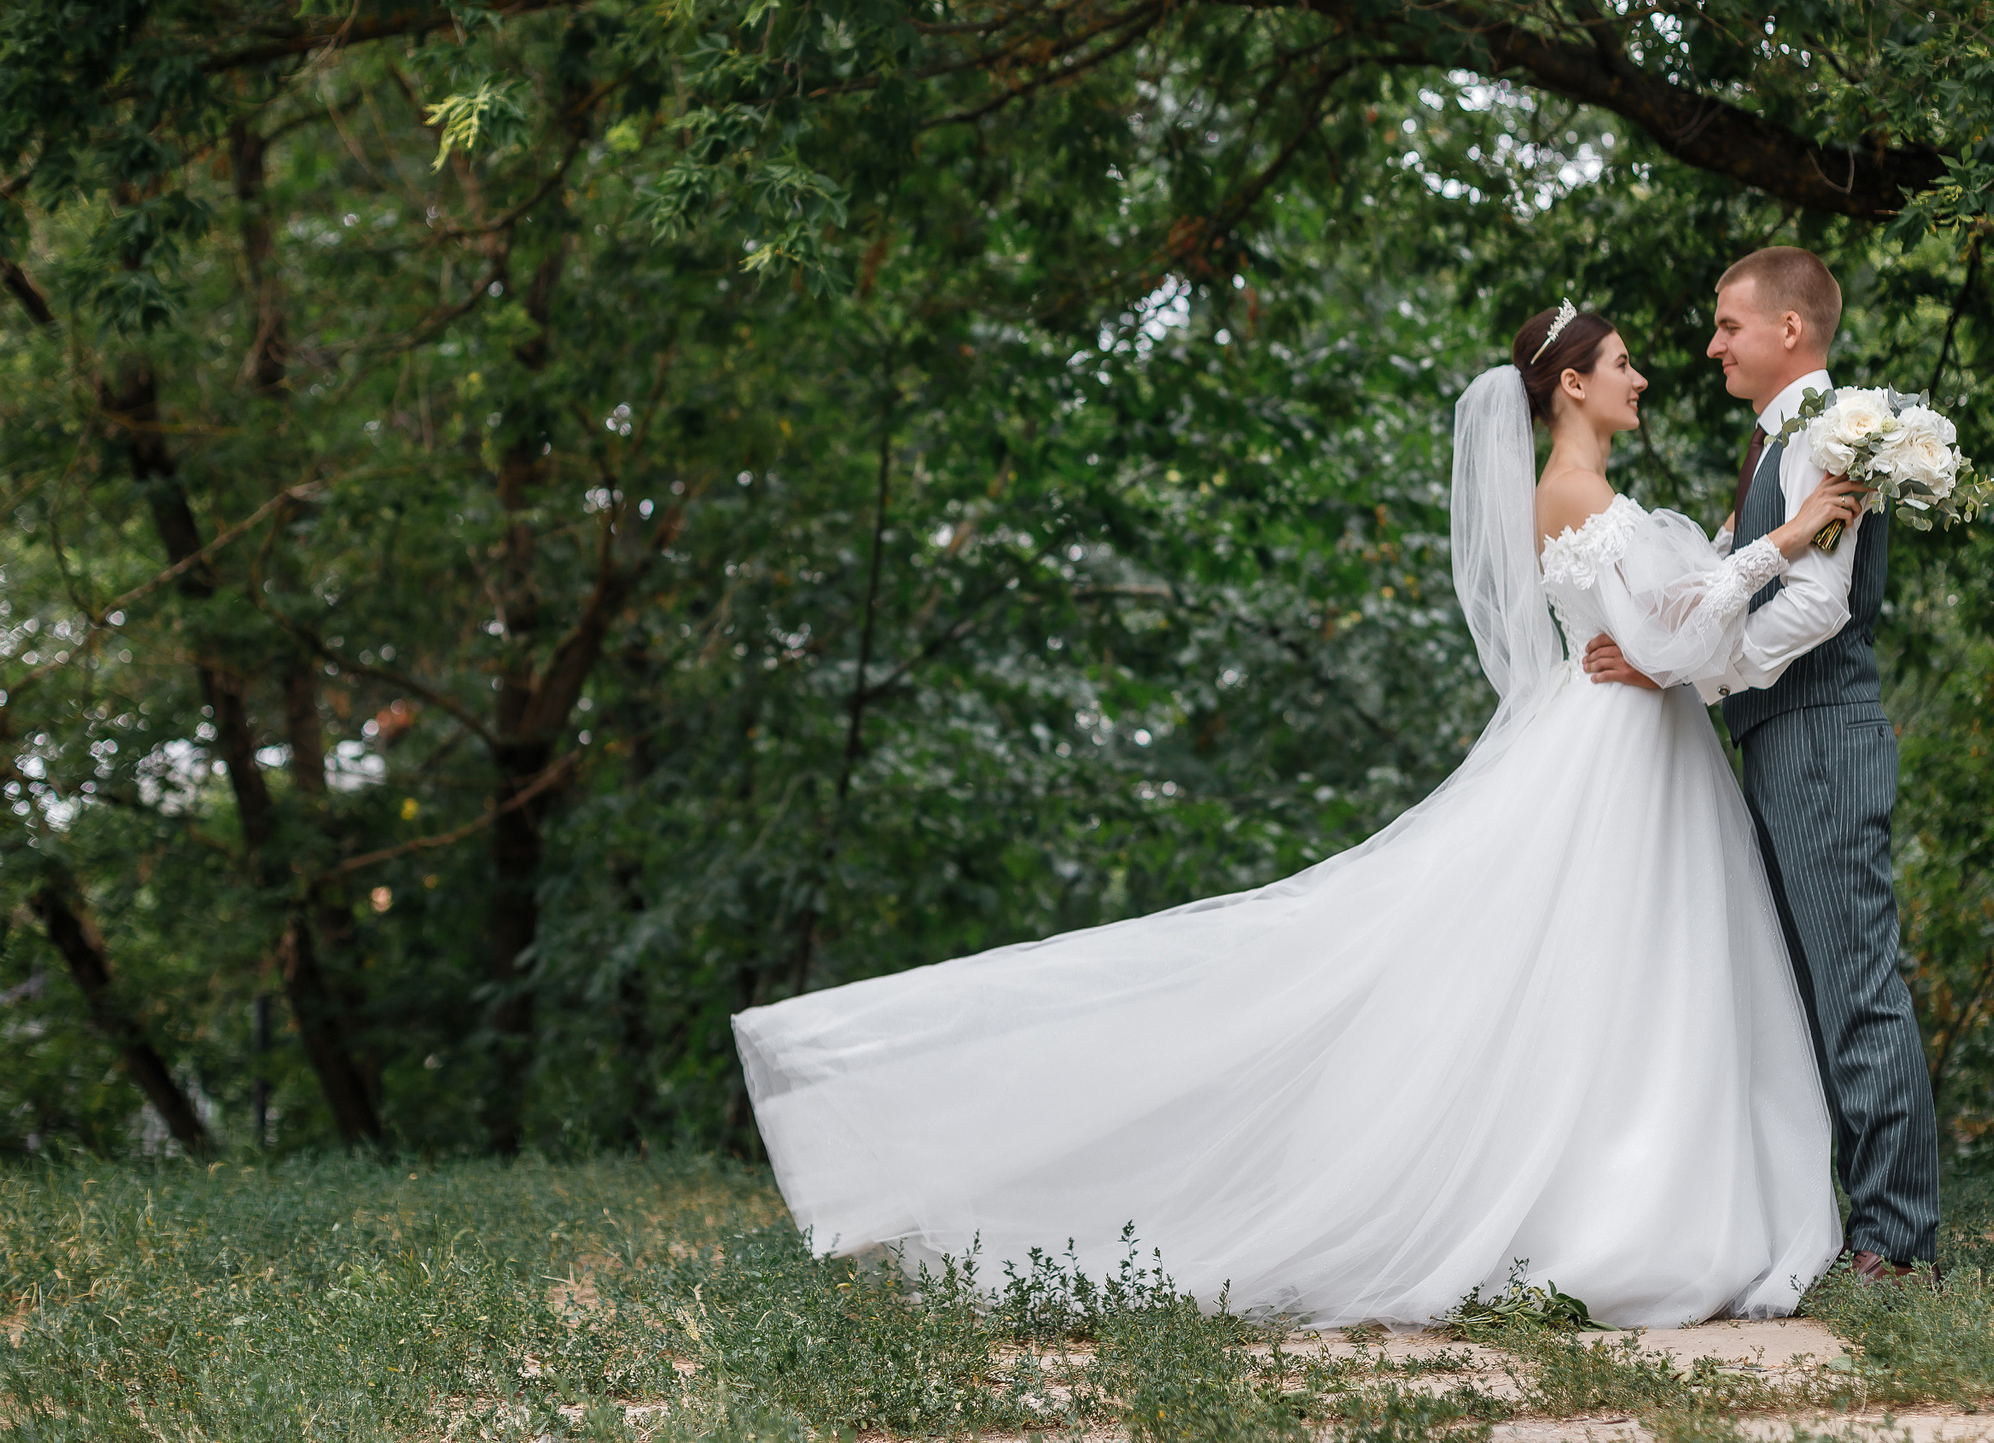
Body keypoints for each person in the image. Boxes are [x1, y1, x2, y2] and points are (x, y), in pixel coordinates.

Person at [732, 305, 1866, 1327]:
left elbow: (1670, 627)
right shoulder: (1571, 494)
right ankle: (1623, 1219)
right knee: (1602, 978)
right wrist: (1792, 531)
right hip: (1617, 757)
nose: (1644, 378)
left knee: (1633, 984)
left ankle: (1652, 1195)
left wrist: (1743, 564)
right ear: (1569, 384)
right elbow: (1672, 638)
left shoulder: (1598, 497)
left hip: (1636, 750)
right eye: (1622, 364)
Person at [1583, 247, 1942, 1284]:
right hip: (1783, 734)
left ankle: (1897, 1244)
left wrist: (1692, 678)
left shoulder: (1832, 433)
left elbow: (1819, 606)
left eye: (1727, 325)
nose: (1711, 345)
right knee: (1805, 982)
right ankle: (1846, 1223)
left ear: (1790, 329)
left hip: (1820, 730)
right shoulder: (1785, 437)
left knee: (1855, 978)